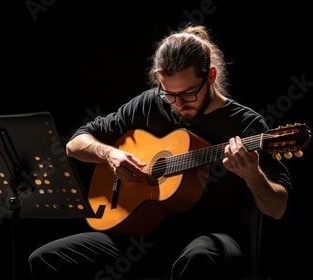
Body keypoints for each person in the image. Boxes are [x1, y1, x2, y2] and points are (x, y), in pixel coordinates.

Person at [27, 24, 292, 280]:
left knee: (198, 259)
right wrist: (110, 154)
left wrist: (253, 176)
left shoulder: (246, 124)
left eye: (188, 94)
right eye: (169, 94)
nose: (178, 104)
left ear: (210, 77)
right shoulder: (150, 104)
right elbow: (75, 144)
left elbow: (277, 208)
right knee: (46, 258)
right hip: (143, 236)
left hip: (212, 239)